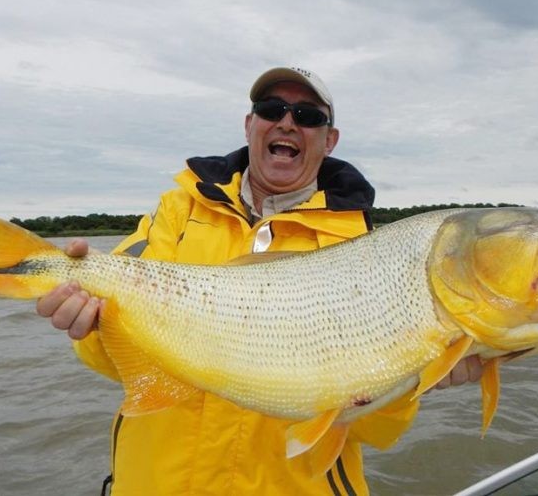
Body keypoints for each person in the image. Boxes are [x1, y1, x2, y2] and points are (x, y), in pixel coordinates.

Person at [37, 67, 482, 495]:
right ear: (250, 124)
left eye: (308, 116)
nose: (287, 123)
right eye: (272, 109)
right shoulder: (178, 212)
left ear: (329, 141)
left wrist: (416, 378)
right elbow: (113, 364)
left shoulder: (368, 251)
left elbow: (376, 429)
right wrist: (91, 327)